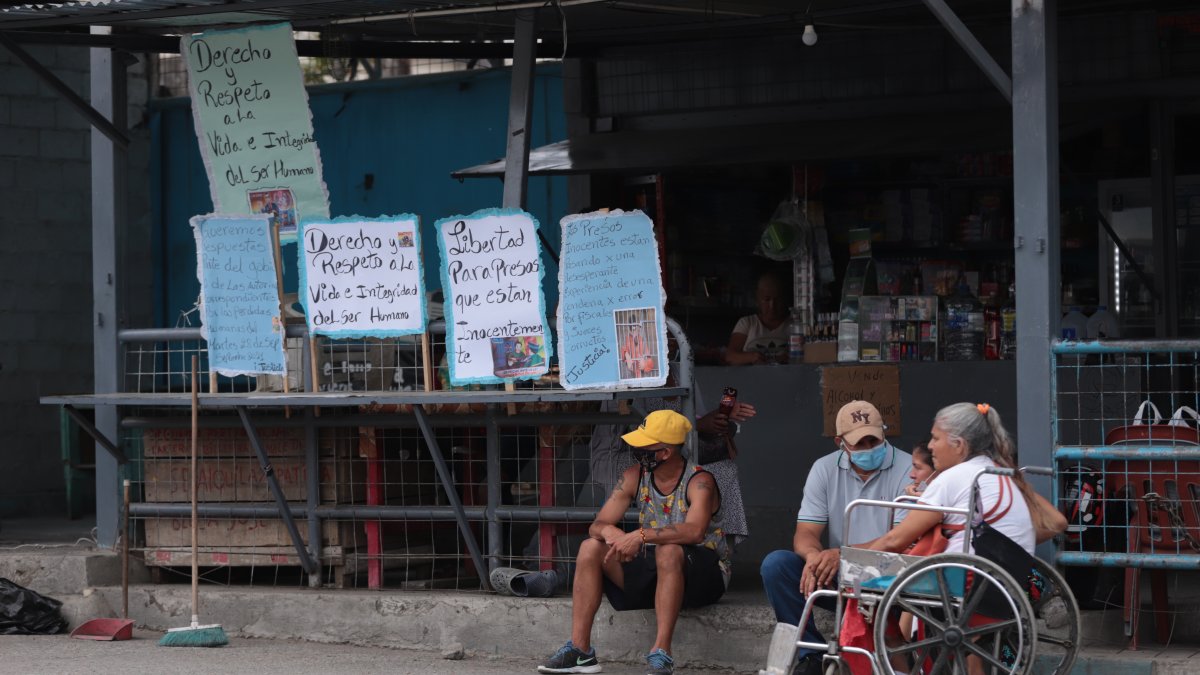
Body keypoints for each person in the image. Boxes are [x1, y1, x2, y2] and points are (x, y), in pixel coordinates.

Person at [538, 410, 732, 675]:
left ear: (665, 452)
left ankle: (661, 653)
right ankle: (580, 651)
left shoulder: (700, 482)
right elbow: (597, 524)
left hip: (704, 575)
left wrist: (640, 536)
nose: (636, 449)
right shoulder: (633, 475)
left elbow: (694, 532)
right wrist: (612, 534)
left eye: (644, 446)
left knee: (670, 550)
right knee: (590, 547)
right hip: (658, 569)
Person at [759, 400, 912, 675]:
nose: (868, 449)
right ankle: (811, 655)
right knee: (777, 566)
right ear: (839, 442)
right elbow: (806, 532)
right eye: (859, 443)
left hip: (891, 573)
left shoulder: (909, 468)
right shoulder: (824, 468)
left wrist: (842, 553)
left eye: (873, 440)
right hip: (841, 571)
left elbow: (900, 539)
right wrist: (814, 557)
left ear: (884, 433)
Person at [725, 272, 790, 365]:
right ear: (758, 299)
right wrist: (752, 357)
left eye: (778, 300)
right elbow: (730, 357)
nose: (772, 306)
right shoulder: (747, 323)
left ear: (785, 299)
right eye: (767, 299)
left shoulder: (795, 325)